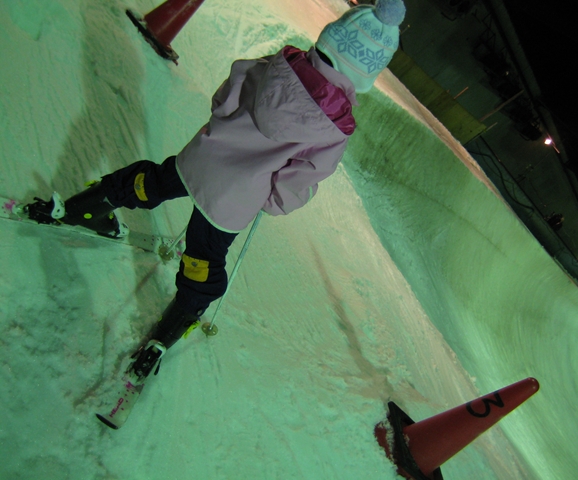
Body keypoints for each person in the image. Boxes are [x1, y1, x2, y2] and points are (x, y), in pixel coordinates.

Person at [25, 0, 406, 380]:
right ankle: (171, 327)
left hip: (201, 159)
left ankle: (85, 206)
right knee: (203, 260)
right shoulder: (334, 130)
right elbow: (301, 178)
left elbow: (227, 95)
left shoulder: (276, 65)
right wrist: (272, 201)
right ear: (365, 75)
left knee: (152, 182)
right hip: (232, 200)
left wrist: (222, 126)